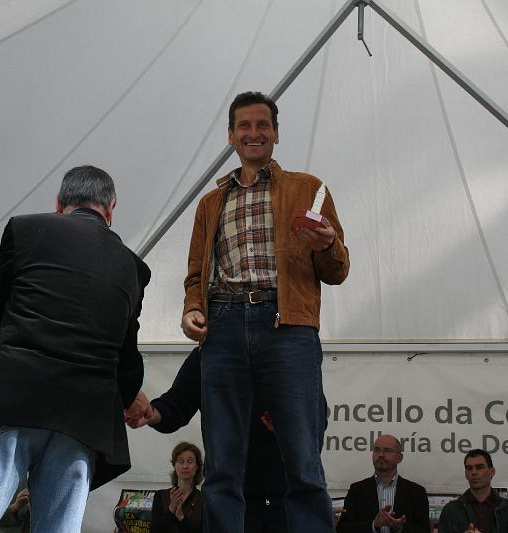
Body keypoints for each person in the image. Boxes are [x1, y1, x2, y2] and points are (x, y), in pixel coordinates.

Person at [0, 165, 151, 532]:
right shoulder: (134, 268)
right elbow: (127, 356)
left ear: (59, 202)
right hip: (84, 417)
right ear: (111, 207)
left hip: (11, 394)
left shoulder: (25, 229)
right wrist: (129, 395)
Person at [180, 90, 349, 532]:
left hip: (287, 325)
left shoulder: (308, 188)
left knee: (303, 458)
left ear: (275, 133)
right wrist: (193, 309)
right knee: (221, 461)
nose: (253, 133)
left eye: (262, 125)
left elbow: (338, 270)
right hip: (223, 326)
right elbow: (196, 275)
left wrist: (328, 244)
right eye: (244, 126)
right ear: (231, 135)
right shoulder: (210, 203)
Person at [125, 347, 295, 532]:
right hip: (225, 492)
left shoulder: (287, 350)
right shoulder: (206, 353)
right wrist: (152, 413)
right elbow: (178, 402)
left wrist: (290, 424)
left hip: (281, 491)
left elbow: (311, 412)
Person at [336, 434, 430, 533]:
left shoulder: (416, 492)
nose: (381, 454)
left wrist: (400, 529)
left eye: (387, 450)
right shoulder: (356, 490)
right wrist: (373, 524)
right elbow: (343, 529)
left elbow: (424, 530)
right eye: (376, 450)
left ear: (399, 458)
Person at [437, 449, 508, 533]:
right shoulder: (450, 510)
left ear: (492, 472)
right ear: (466, 474)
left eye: (479, 467)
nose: (474, 472)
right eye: (469, 468)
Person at [150, 441, 205, 533]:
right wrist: (171, 510)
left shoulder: (203, 499)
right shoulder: (160, 495)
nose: (185, 466)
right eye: (181, 461)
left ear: (197, 467)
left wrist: (182, 518)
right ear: (174, 466)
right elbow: (154, 530)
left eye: (190, 461)